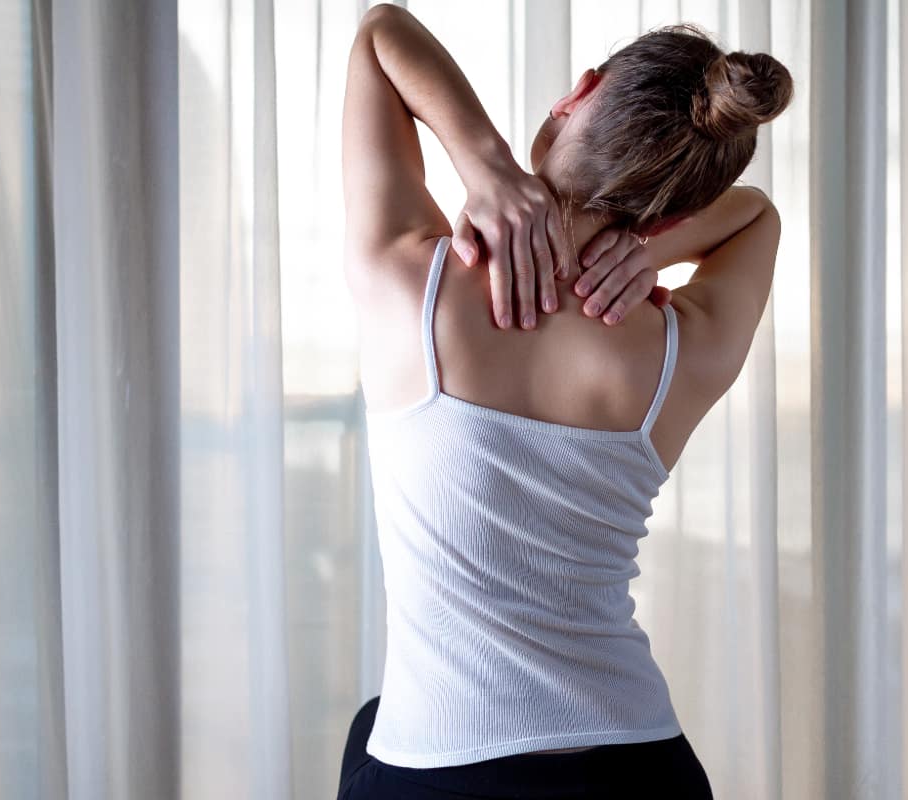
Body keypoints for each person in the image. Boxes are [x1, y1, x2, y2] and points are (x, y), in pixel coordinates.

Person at [337, 4, 792, 798]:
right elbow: (756, 215)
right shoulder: (680, 349)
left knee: (365, 733)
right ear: (679, 213)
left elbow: (381, 35)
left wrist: (485, 164)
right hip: (641, 763)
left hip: (444, 765)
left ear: (578, 92)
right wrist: (643, 244)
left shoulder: (413, 282)